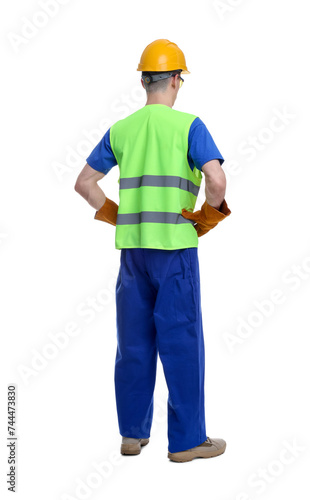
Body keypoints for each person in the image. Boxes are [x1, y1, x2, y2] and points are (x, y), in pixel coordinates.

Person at [74, 39, 231, 463]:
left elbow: (84, 183)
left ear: (144, 80)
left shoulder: (121, 129)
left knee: (134, 343)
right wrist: (207, 218)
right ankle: (186, 442)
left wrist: (116, 215)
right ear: (177, 80)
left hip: (133, 258)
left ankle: (131, 435)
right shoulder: (189, 127)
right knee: (181, 343)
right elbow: (216, 183)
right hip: (175, 254)